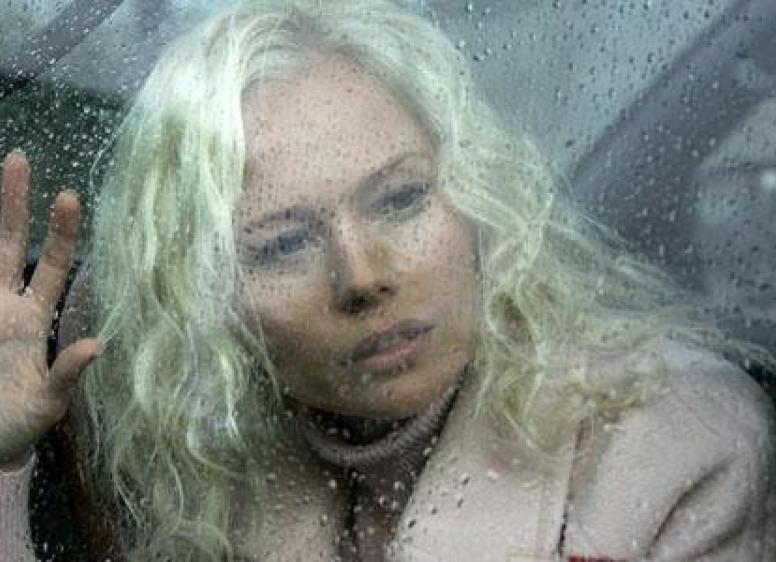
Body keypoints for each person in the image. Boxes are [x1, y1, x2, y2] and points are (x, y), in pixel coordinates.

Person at [1, 1, 774, 560]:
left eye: (401, 200)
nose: (364, 277)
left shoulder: (673, 446)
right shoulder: (198, 456)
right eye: (283, 246)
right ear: (213, 299)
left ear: (475, 198)